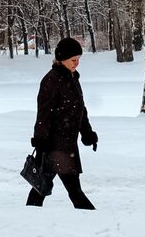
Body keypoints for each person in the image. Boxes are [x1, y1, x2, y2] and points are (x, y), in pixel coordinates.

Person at [27, 37, 98, 209]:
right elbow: (44, 114)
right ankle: (95, 220)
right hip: (55, 146)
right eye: (74, 60)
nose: (77, 63)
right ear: (62, 59)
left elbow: (80, 110)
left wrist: (87, 133)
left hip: (67, 144)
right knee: (74, 191)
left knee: (40, 187)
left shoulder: (72, 79)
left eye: (79, 59)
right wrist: (41, 140)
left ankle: (28, 216)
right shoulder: (51, 81)